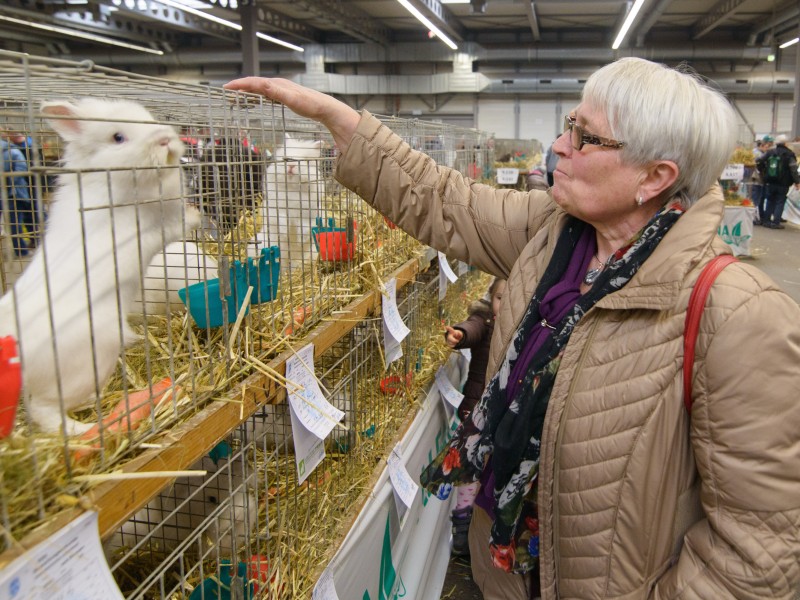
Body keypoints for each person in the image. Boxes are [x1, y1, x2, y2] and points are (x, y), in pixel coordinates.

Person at [225, 57, 800, 600]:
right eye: (569, 125)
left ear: (655, 177)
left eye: (584, 137)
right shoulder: (554, 233)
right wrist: (340, 120)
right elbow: (444, 200)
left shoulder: (737, 315)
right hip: (509, 571)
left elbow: (759, 549)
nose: (558, 146)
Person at [444, 276, 506, 557]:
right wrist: (459, 333)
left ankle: (483, 531)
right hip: (476, 414)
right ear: (490, 297)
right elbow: (473, 327)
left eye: (510, 298)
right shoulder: (487, 322)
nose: (503, 306)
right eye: (499, 298)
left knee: (490, 473)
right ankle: (461, 524)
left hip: (503, 417)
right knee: (469, 471)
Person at [0, 133, 35, 256]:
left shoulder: (11, 149)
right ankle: (22, 251)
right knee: (14, 223)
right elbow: (21, 168)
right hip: (14, 192)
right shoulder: (11, 149)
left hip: (11, 192)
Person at [757, 134, 800, 228]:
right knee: (780, 201)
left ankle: (766, 221)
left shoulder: (770, 152)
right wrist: (797, 182)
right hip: (783, 183)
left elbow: (758, 160)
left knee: (770, 200)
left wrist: (763, 173)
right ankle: (775, 222)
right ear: (785, 143)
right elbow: (793, 169)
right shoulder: (789, 154)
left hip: (770, 181)